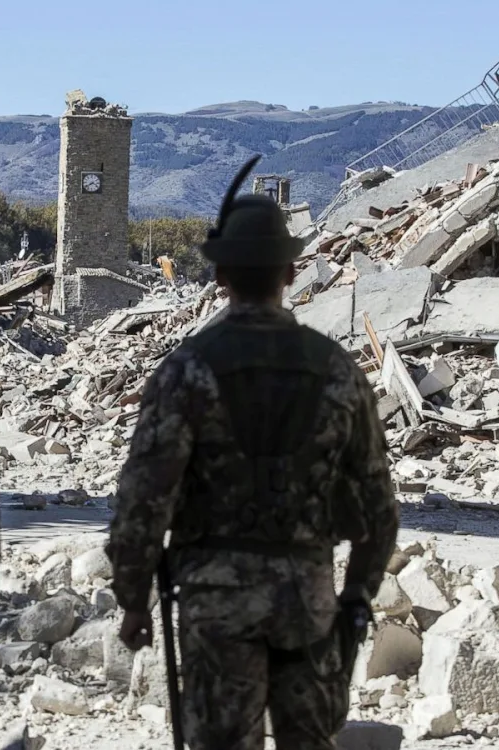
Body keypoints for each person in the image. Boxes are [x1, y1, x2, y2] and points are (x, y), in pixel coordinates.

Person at [106, 156, 400, 750]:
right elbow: (378, 508)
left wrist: (133, 599)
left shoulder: (186, 371)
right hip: (309, 602)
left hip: (217, 606)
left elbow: (144, 499)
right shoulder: (337, 370)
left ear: (221, 277)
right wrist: (357, 601)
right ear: (291, 272)